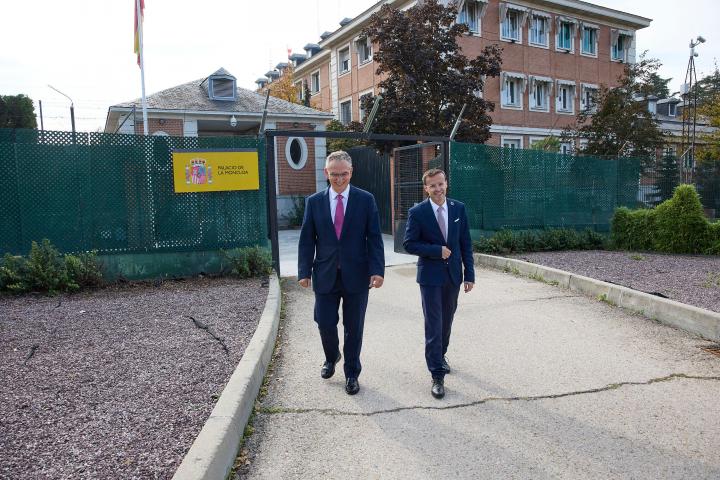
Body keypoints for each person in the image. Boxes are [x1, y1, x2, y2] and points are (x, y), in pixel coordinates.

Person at [298, 150, 385, 395]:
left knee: (354, 327)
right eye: (334, 174)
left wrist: (377, 270)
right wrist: (304, 271)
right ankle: (331, 356)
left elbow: (374, 237)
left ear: (351, 172)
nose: (339, 179)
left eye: (344, 174)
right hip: (325, 274)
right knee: (324, 322)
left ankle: (352, 373)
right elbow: (307, 240)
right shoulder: (314, 202)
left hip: (357, 274)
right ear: (326, 172)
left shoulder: (365, 200)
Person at [403, 168, 474, 399]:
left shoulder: (458, 208)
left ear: (446, 184)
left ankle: (440, 355)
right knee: (434, 324)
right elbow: (409, 244)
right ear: (426, 188)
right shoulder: (418, 212)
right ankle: (436, 375)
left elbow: (465, 243)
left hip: (453, 276)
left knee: (447, 321)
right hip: (430, 277)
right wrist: (436, 250)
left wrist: (469, 274)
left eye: (440, 184)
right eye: (432, 185)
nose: (437, 189)